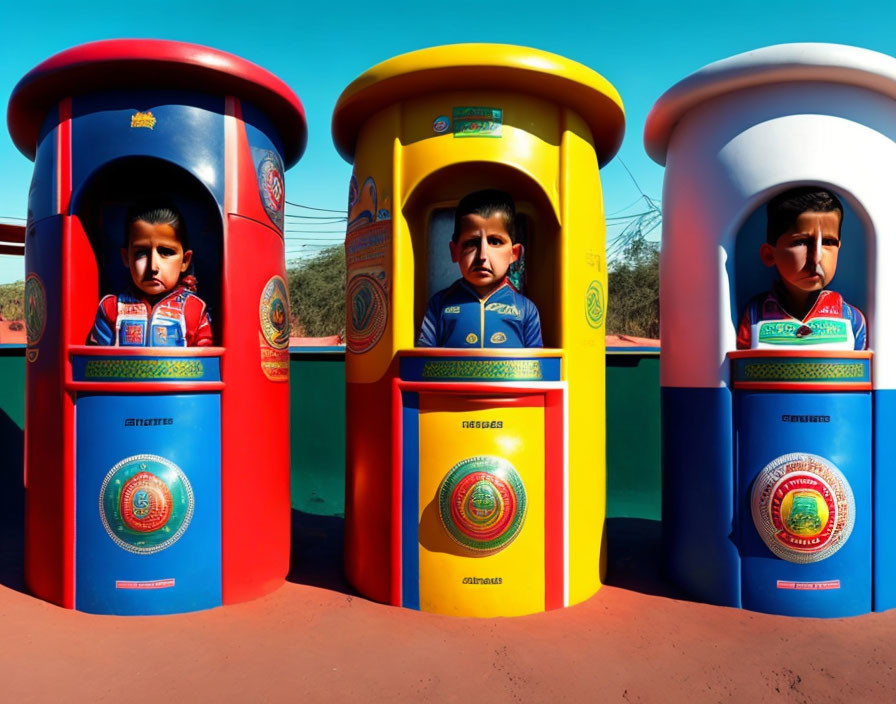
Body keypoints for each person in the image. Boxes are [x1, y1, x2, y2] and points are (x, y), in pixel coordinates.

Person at [736, 186, 866, 350]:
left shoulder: (852, 320)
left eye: (828, 242)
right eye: (801, 242)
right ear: (769, 255)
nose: (817, 257)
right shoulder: (754, 316)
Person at [417, 189, 542, 348]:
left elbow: (538, 367)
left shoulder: (526, 310)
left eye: (495, 242)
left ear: (514, 253)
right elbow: (422, 362)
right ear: (454, 252)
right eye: (471, 243)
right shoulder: (439, 305)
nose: (482, 255)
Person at [88, 203, 213, 346]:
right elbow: (96, 364)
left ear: (185, 261)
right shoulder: (110, 309)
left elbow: (205, 366)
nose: (153, 266)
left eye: (166, 252)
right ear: (126, 257)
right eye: (141, 253)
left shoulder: (194, 311)